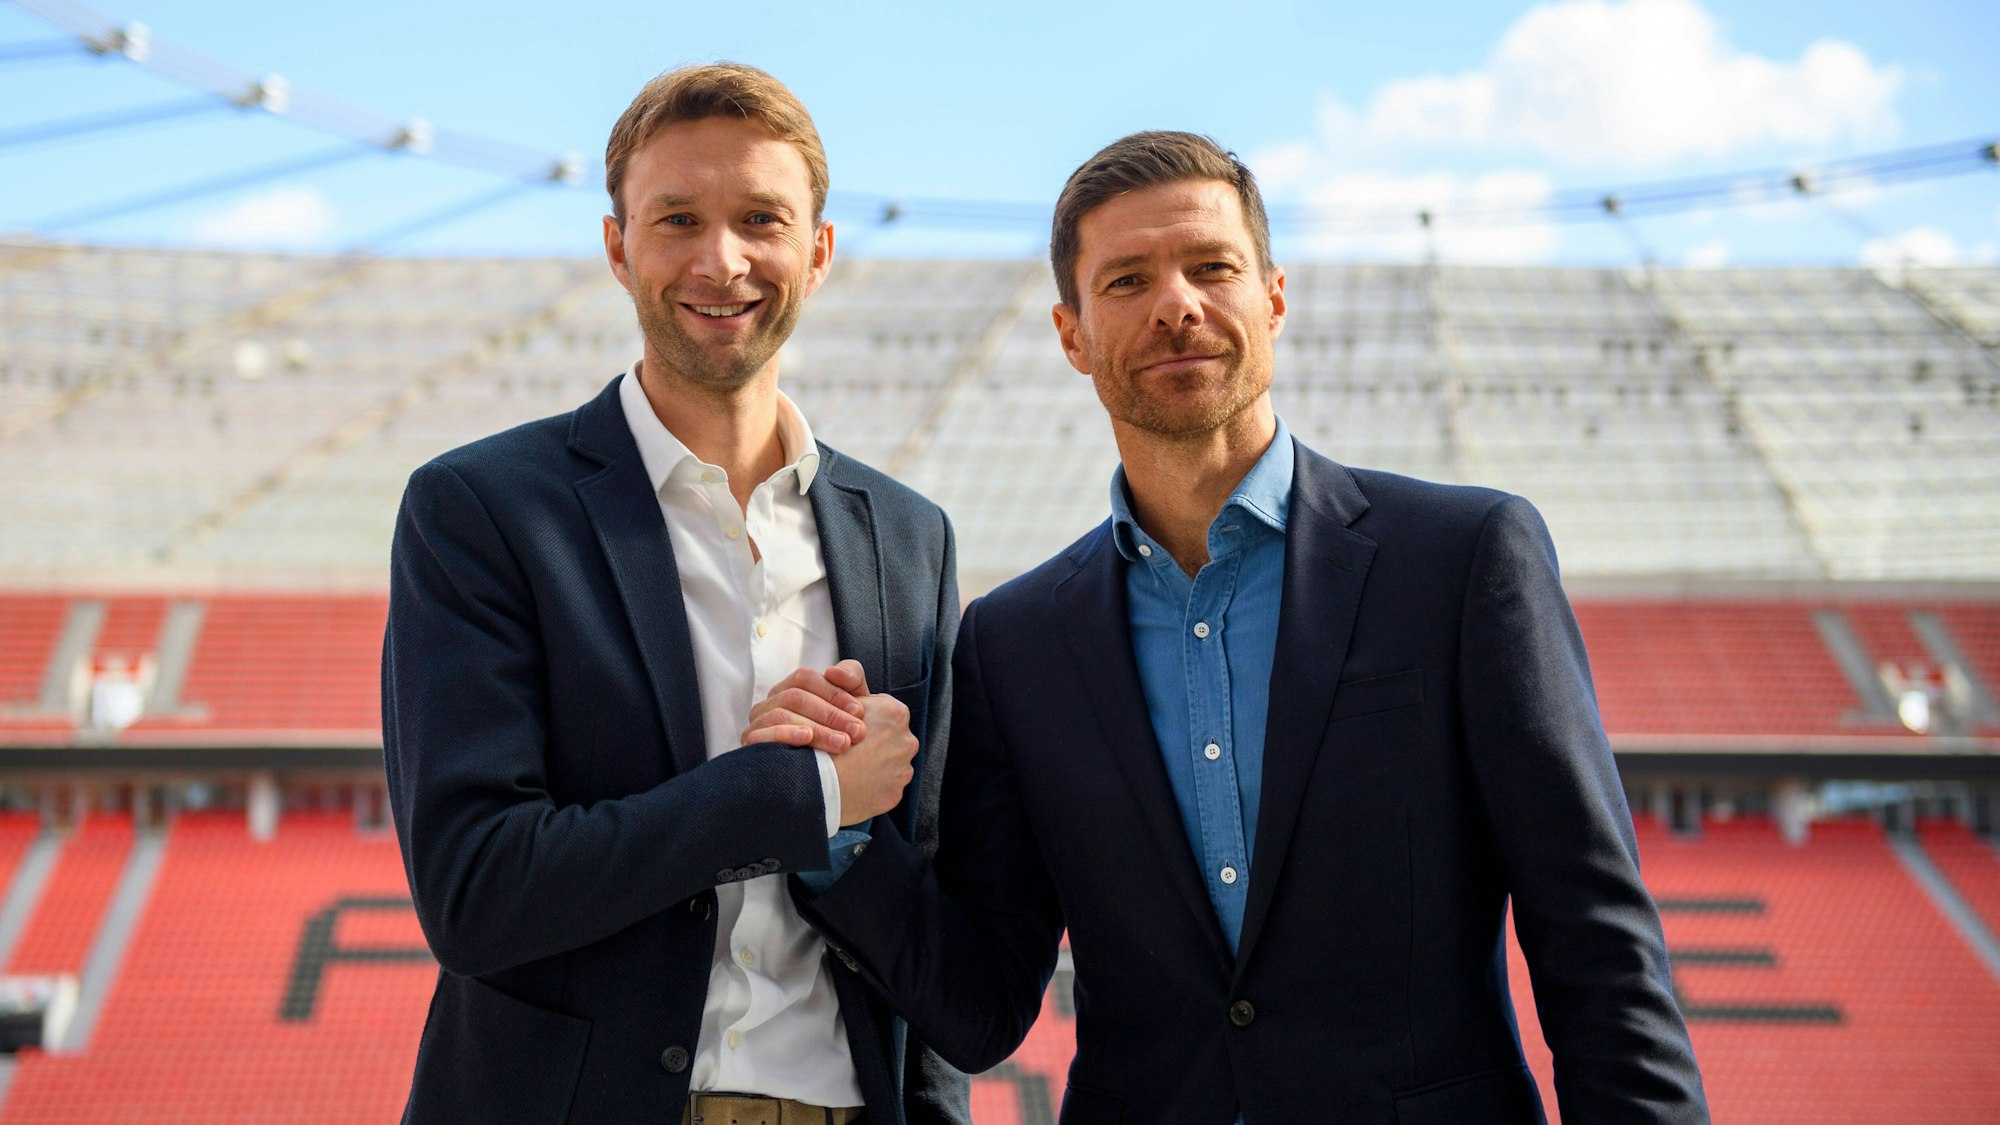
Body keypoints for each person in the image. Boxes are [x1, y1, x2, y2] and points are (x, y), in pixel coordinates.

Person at [783, 132, 1709, 1124]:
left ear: (1270, 296)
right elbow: (978, 1010)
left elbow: (1596, 941)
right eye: (1127, 280)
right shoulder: (1013, 644)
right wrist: (831, 826)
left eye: (1209, 267)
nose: (1175, 303)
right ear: (1071, 335)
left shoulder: (1459, 560)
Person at [382, 62, 967, 1125]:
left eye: (760, 219)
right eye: (677, 220)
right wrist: (793, 798)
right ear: (617, 247)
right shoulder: (481, 510)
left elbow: (923, 921)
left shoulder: (909, 538)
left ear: (818, 251)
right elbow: (476, 891)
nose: (722, 260)